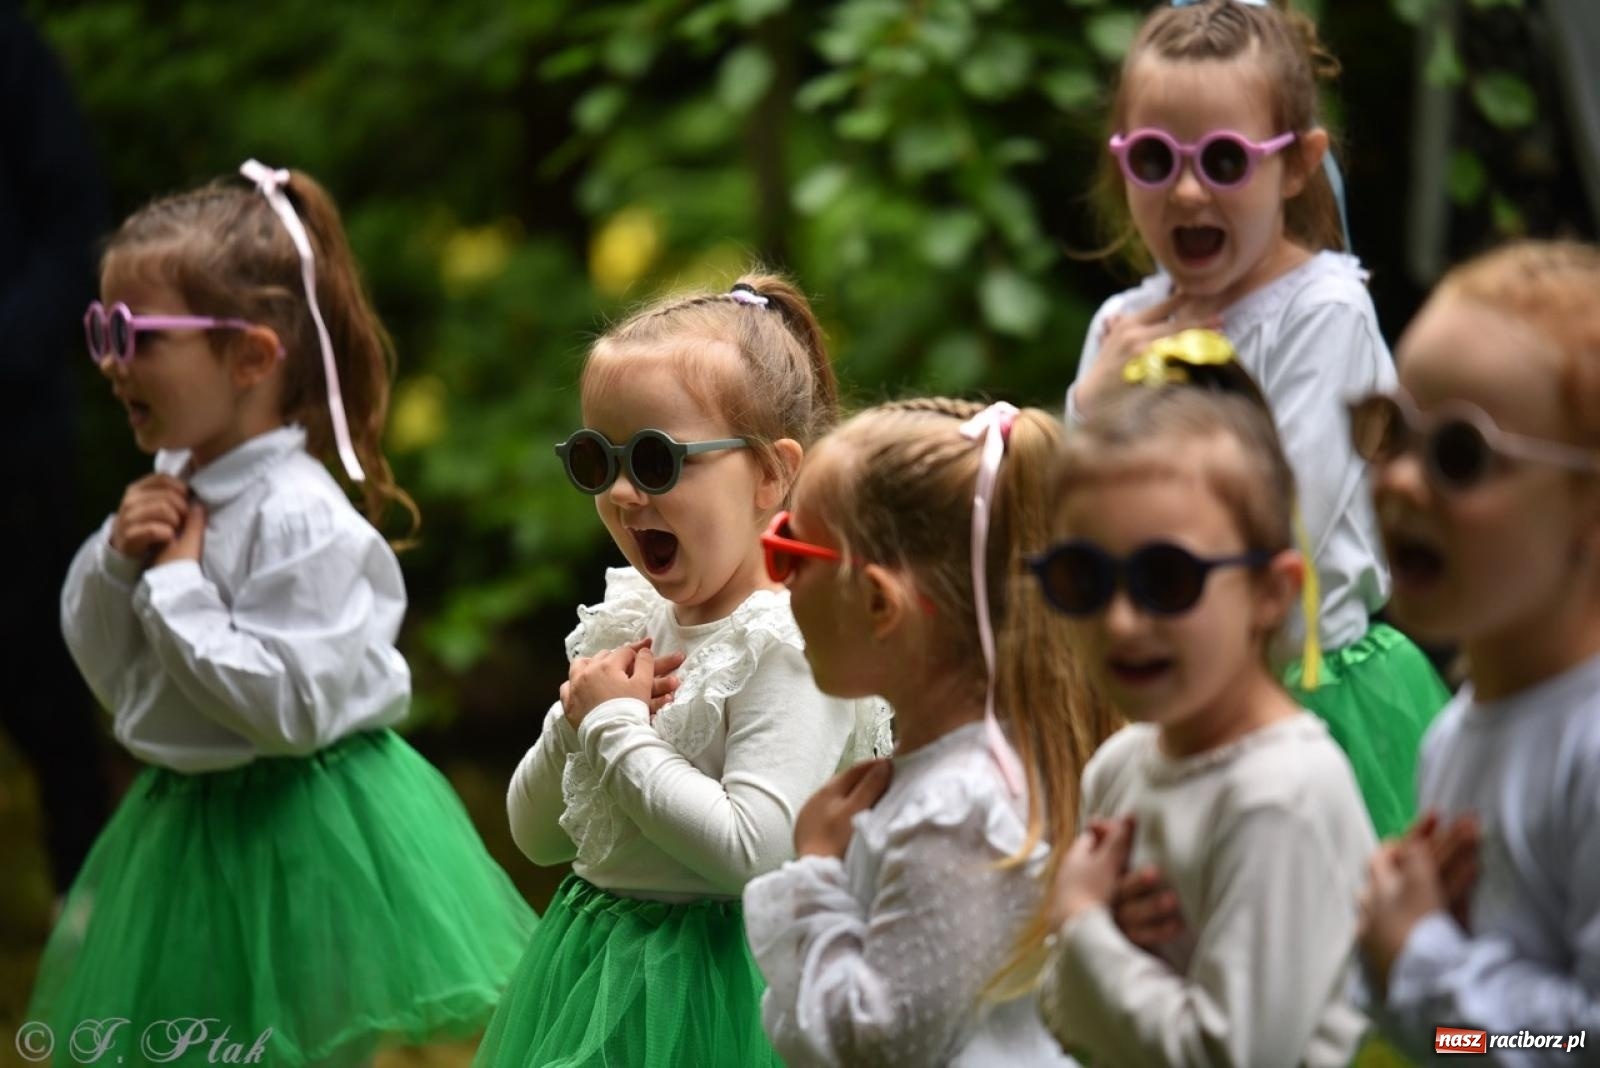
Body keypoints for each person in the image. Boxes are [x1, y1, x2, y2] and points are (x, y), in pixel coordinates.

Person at [31, 161, 535, 1067]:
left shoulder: (298, 517)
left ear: (251, 356)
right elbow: (116, 676)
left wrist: (178, 589)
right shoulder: (168, 489)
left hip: (304, 835)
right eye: (101, 328)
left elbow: (288, 711)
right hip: (184, 828)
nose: (109, 362)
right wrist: (114, 564)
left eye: (137, 335)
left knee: (297, 1042)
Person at [478, 274, 892, 1068]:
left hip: (723, 993)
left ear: (770, 474)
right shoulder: (630, 618)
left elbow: (755, 850)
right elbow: (532, 838)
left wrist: (616, 728)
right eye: (598, 459)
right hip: (592, 968)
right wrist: (572, 724)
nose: (624, 491)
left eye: (660, 460)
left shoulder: (786, 642)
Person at [1066, 0, 1447, 839]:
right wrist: (1092, 406)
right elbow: (1078, 518)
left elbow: (1281, 524)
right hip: (1172, 692)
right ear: (1122, 163)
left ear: (1300, 164)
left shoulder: (1325, 313)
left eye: (1228, 159)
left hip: (1318, 700)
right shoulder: (1120, 331)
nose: (1190, 190)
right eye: (1158, 159)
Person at [743, 398, 1116, 1065]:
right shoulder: (975, 773)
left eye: (788, 553)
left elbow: (878, 1045)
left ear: (880, 602)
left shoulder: (958, 810)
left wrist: (815, 876)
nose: (780, 584)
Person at [1038, 372, 1375, 1067]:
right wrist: (1098, 941)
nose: (1123, 621)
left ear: (1270, 593)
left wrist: (1082, 927)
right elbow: (1062, 1018)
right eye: (1084, 577)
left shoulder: (1281, 794)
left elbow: (1229, 1055)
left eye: (1167, 579)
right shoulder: (1121, 767)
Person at [1357, 240, 1600, 1065]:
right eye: (1392, 432)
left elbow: (1575, 1043)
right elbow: (1449, 1046)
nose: (1398, 480)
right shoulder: (1453, 736)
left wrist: (1421, 959)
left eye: (1459, 453)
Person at [0, 0, 112, 895]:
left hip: (14, 434)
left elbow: (74, 225)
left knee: (44, 679)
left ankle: (91, 927)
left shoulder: (12, 47)